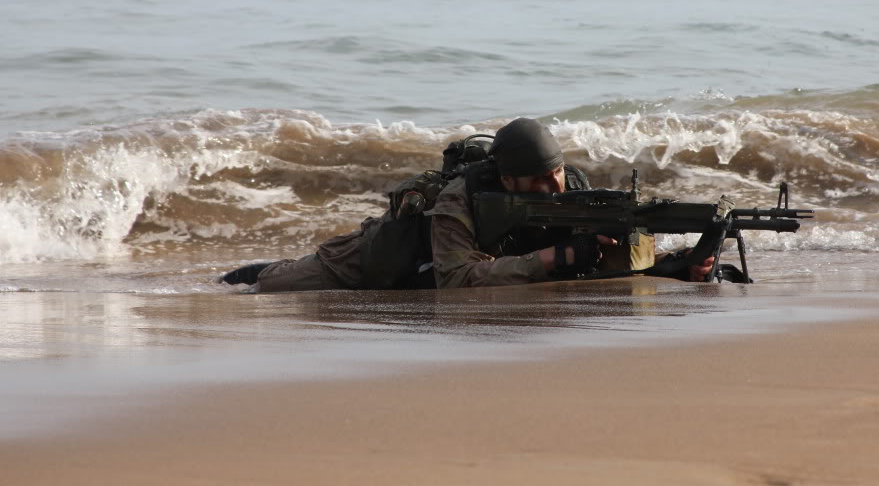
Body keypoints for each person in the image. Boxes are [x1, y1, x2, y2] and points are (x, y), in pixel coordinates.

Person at [221, 118, 713, 291]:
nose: (552, 189)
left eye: (555, 174)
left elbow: (600, 263)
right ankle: (233, 276)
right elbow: (456, 279)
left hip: (422, 279)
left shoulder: (577, 191)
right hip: (364, 264)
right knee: (270, 286)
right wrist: (559, 258)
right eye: (536, 181)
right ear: (505, 178)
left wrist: (673, 266)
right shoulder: (463, 198)